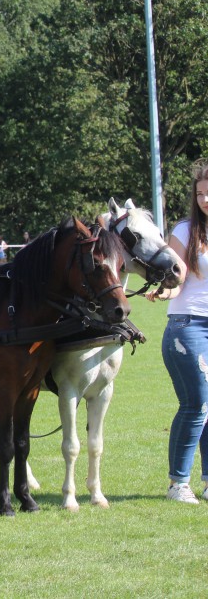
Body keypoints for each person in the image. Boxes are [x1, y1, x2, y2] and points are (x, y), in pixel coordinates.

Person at [146, 158, 206, 504]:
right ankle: (178, 484)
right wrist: (163, 291)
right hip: (187, 327)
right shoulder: (185, 231)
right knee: (196, 404)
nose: (205, 200)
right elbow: (177, 278)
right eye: (200, 194)